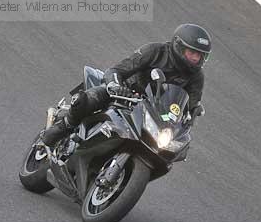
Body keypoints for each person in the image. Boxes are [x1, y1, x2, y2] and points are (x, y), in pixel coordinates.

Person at [41, 23, 211, 148]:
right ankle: (65, 125)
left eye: (200, 55)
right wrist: (116, 86)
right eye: (192, 53)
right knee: (88, 99)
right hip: (125, 95)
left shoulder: (197, 77)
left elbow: (188, 108)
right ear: (179, 46)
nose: (196, 59)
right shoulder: (155, 51)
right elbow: (116, 69)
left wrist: (189, 117)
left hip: (154, 115)